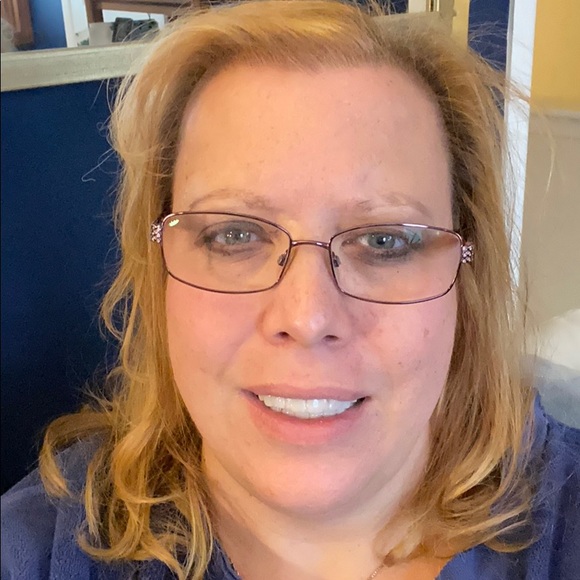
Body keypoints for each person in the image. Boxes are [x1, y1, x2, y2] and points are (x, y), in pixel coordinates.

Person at [2, 1, 579, 579]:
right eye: (234, 235)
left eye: (383, 241)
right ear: (159, 269)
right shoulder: (37, 548)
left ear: (467, 275)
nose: (306, 317)